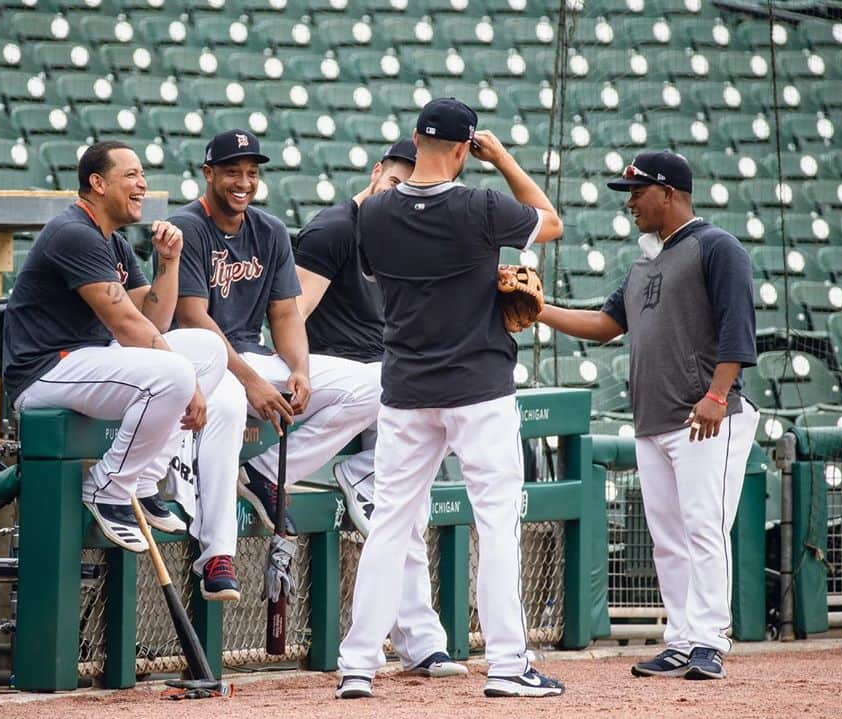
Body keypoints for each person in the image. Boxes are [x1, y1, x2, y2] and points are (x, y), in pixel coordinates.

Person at [335, 99, 565, 700]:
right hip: (478, 386)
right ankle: (510, 666)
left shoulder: (374, 214)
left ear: (414, 139)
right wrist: (505, 159)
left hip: (406, 389)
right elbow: (551, 221)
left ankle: (357, 665)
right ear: (465, 150)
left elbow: (365, 247)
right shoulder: (480, 204)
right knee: (496, 525)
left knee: (388, 526)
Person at [537, 150, 759, 680]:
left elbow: (738, 326)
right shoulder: (643, 264)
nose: (631, 202)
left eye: (638, 192)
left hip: (707, 414)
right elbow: (605, 323)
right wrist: (537, 310)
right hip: (654, 419)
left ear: (671, 193)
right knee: (667, 535)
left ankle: (710, 638)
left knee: (704, 527)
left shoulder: (718, 247)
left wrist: (718, 394)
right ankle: (682, 638)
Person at [2, 140, 242, 601]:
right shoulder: (73, 231)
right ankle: (109, 488)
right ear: (97, 183)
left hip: (88, 363)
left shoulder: (111, 239)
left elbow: (155, 321)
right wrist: (183, 378)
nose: (142, 183)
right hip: (45, 372)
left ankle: (146, 479)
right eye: (130, 174)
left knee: (207, 350)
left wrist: (169, 263)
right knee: (173, 373)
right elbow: (128, 327)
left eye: (142, 174)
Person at [294, 138, 466, 679]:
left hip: (386, 384)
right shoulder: (334, 228)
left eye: (412, 186)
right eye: (394, 182)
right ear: (376, 173)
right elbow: (292, 315)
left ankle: (420, 642)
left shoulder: (406, 237)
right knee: (401, 511)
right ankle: (417, 641)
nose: (400, 194)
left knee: (406, 514)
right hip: (336, 385)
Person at [169, 129, 379, 535]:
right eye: (233, 172)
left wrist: (299, 368)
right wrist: (251, 383)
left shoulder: (270, 231)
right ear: (208, 173)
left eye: (251, 173)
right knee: (228, 383)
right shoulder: (187, 227)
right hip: (203, 366)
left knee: (372, 388)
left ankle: (264, 474)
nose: (244, 183)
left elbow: (285, 314)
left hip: (256, 359)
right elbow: (193, 318)